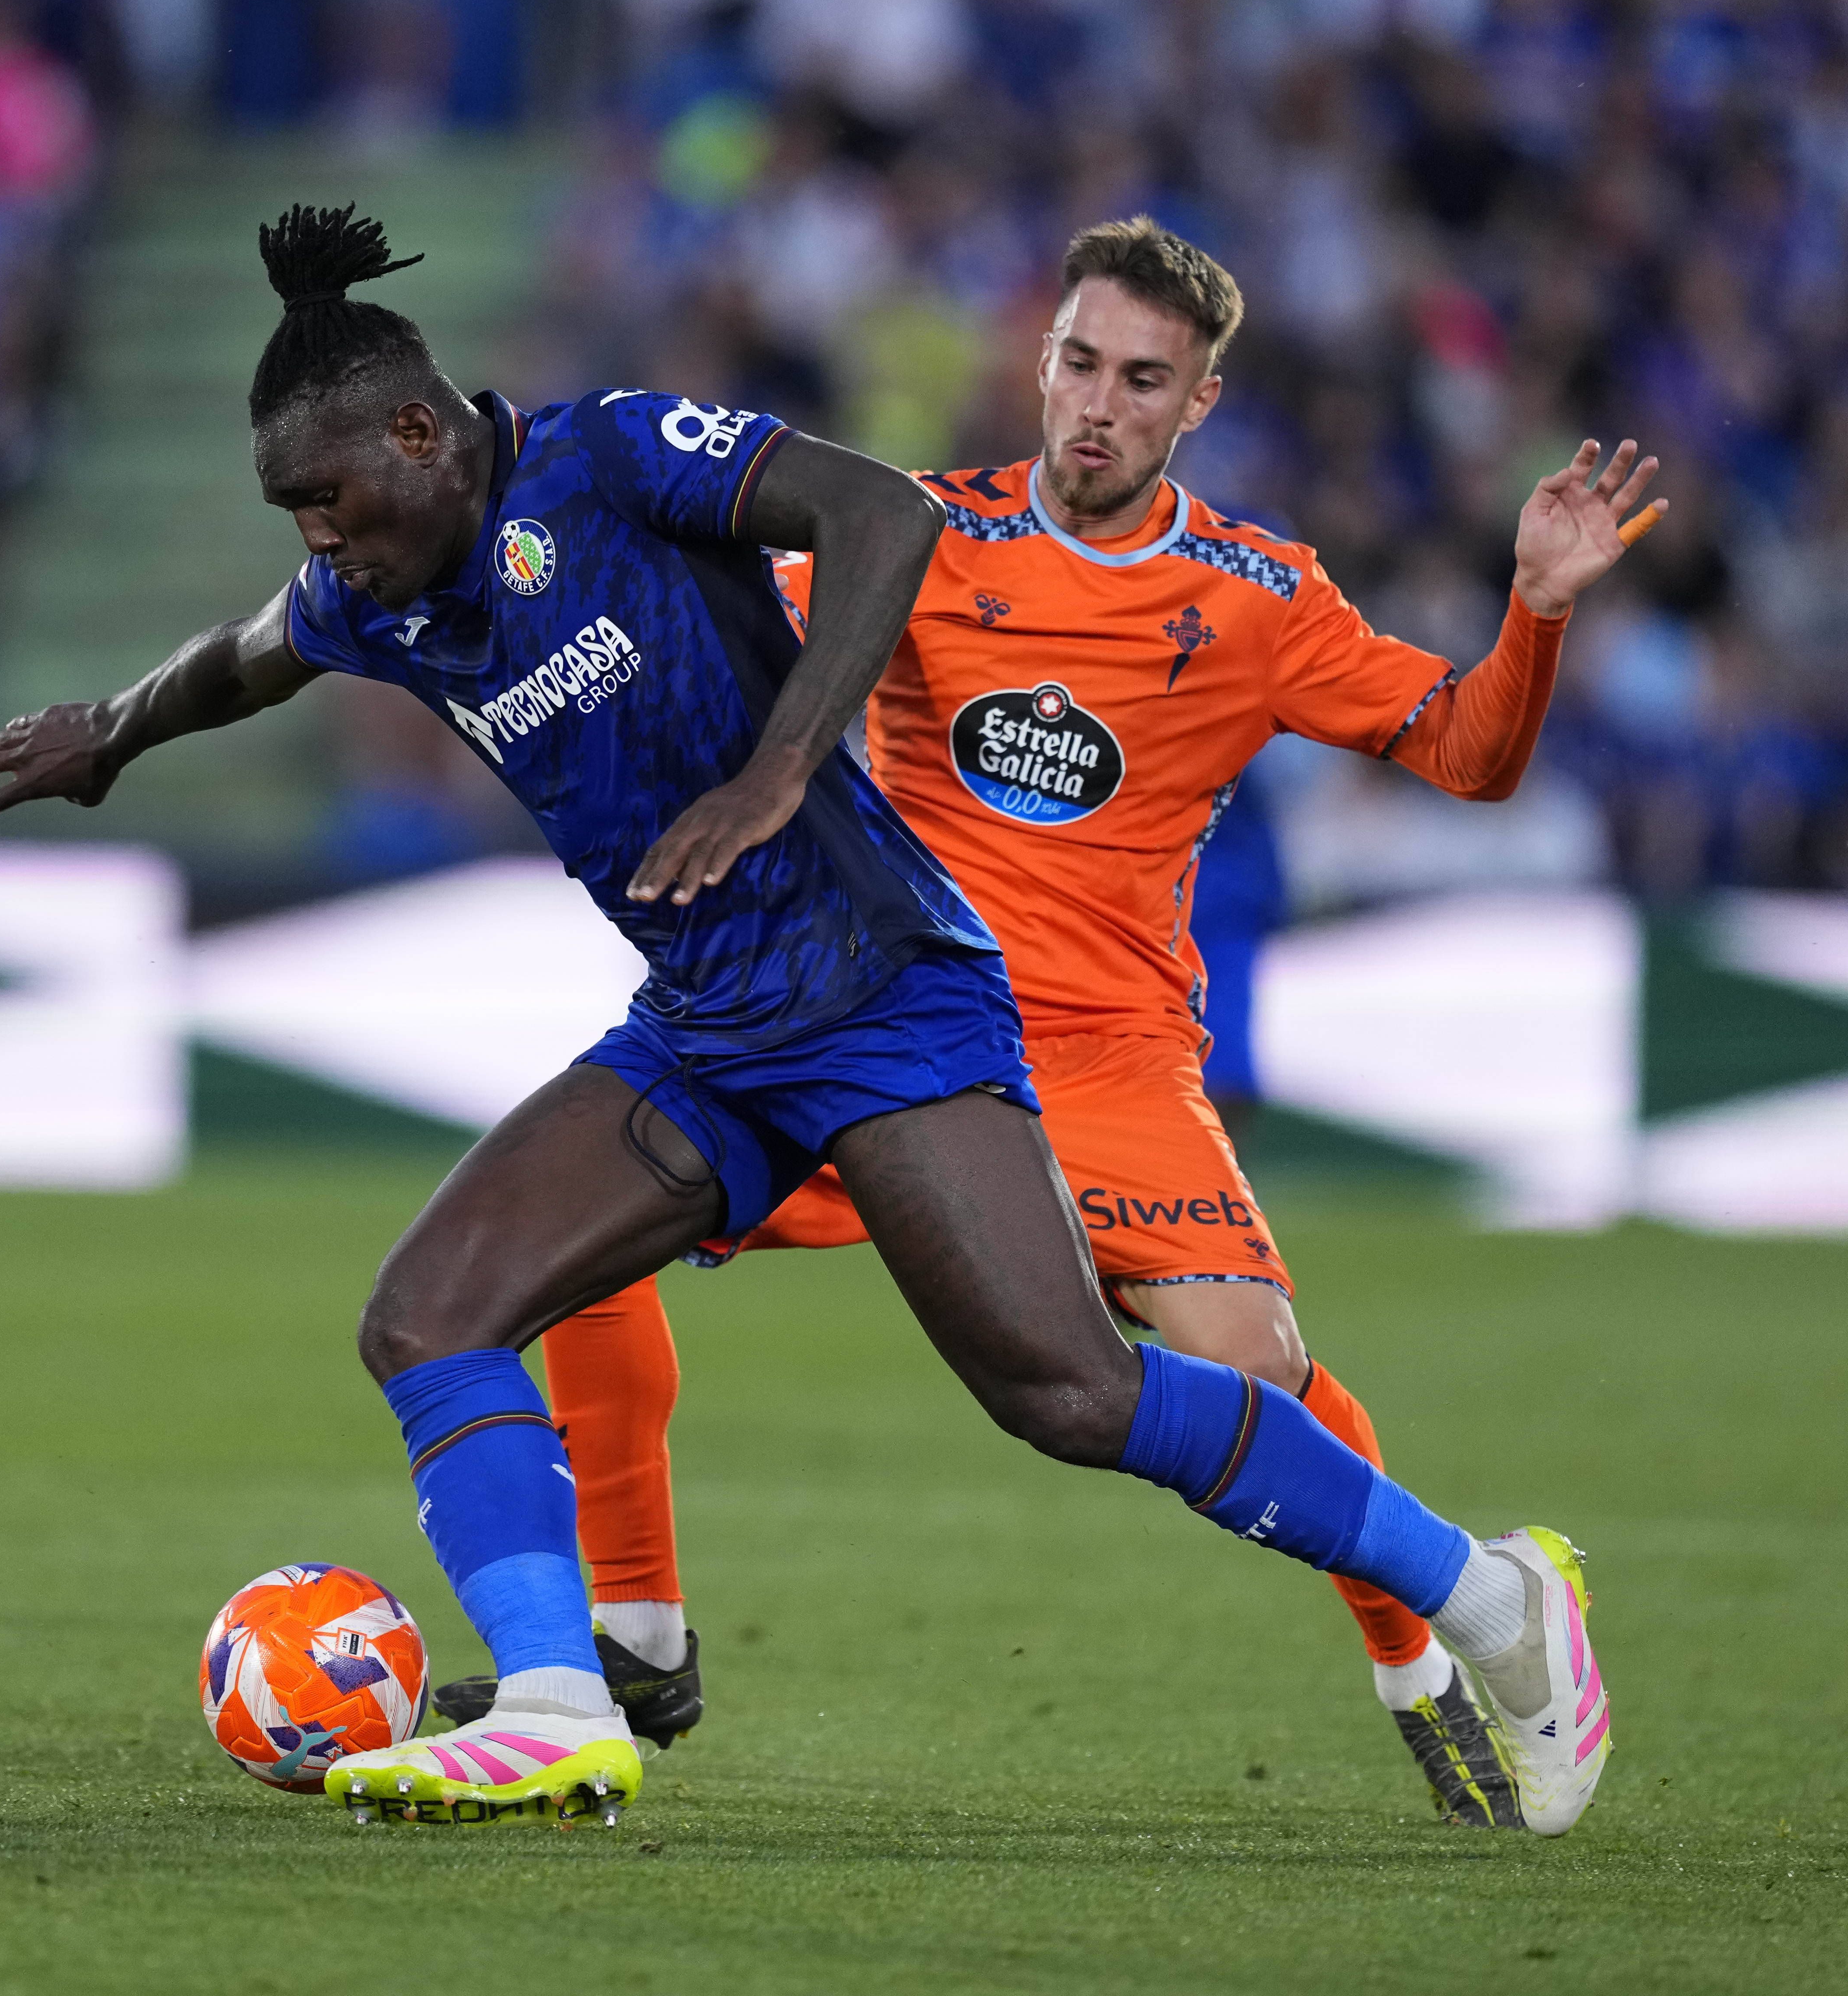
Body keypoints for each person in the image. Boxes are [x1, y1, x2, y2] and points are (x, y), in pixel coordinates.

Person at [0, 206, 1611, 1830]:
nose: (319, 534)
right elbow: (248, 656)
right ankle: (567, 1698)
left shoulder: (607, 458)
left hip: (887, 992)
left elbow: (879, 515)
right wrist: (112, 730)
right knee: (433, 1313)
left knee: (1076, 1399)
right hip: (716, 1029)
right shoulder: (380, 591)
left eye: (329, 497)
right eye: (292, 511)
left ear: (417, 430)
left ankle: (1477, 1601)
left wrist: (776, 770)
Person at [433, 218, 1655, 1834]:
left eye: (1144, 381)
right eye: (1080, 363)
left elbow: (1467, 756)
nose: (1098, 405)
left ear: (1197, 405)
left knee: (1247, 1368)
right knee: (575, 1265)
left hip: (1101, 1053)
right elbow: (711, 629)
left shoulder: (1256, 597)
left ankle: (1425, 1644)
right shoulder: (917, 535)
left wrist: (1538, 611)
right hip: (879, 1022)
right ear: (1045, 359)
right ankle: (639, 1635)